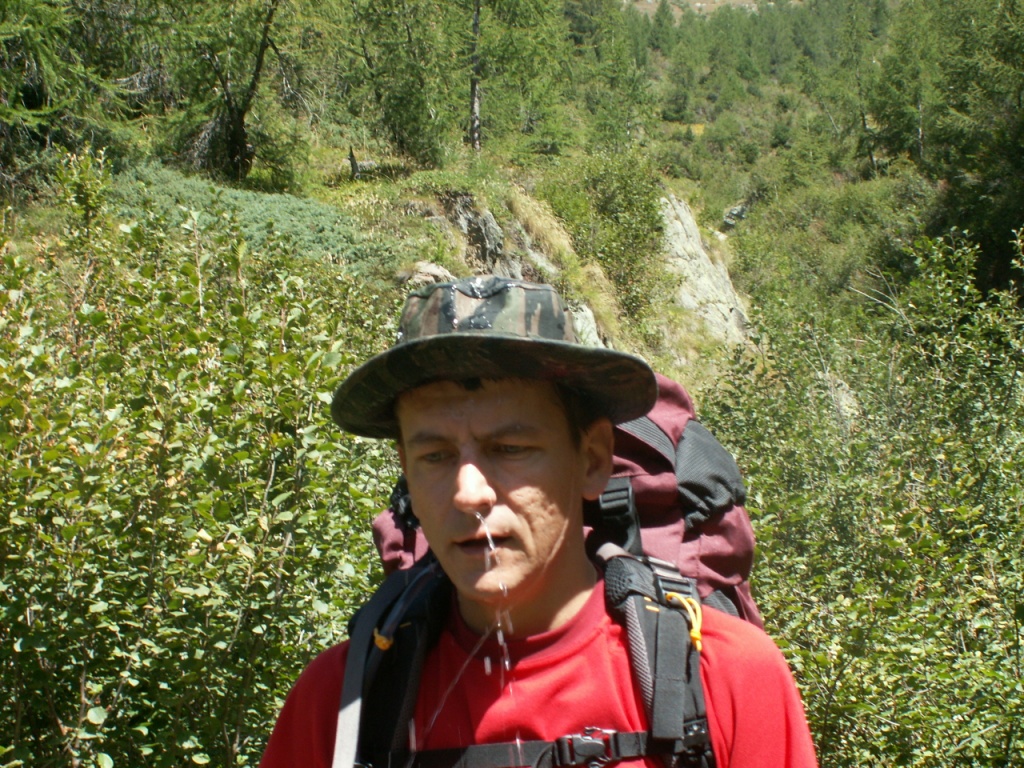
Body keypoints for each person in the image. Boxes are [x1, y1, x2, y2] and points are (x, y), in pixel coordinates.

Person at [260, 276, 818, 768]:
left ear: (592, 460)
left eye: (510, 448)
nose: (469, 493)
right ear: (406, 468)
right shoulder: (343, 705)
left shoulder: (728, 676)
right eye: (435, 456)